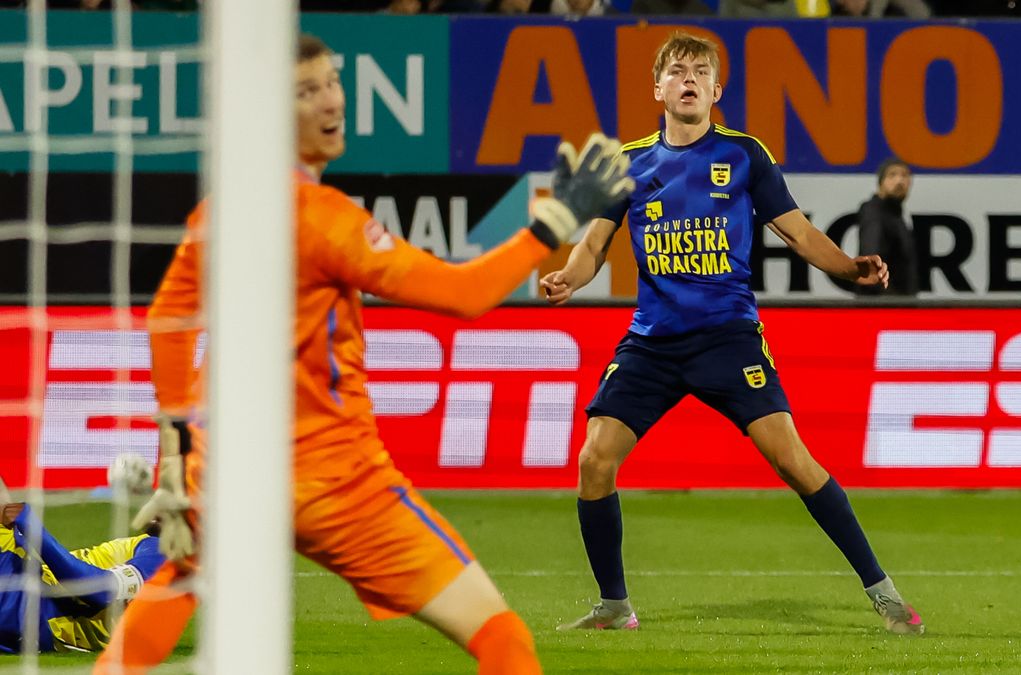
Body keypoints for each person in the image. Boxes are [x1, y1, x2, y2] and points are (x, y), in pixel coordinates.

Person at [91, 33, 632, 675]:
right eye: (306, 91)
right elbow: (463, 294)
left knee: (172, 590)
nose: (331, 101)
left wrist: (178, 449)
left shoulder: (221, 211)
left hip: (234, 471)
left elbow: (168, 321)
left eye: (332, 82)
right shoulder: (326, 219)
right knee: (503, 639)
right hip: (335, 481)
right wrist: (552, 224)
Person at [540, 31, 924, 636]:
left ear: (717, 89)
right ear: (658, 88)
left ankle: (885, 595)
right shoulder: (630, 163)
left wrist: (850, 269)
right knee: (594, 460)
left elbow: (798, 232)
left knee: (793, 462)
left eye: (700, 71)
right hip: (652, 343)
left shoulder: (745, 154)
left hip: (728, 337)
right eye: (677, 70)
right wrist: (570, 276)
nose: (688, 79)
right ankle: (614, 607)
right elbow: (593, 246)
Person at [0, 502, 165, 654]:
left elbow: (102, 592)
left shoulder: (162, 555)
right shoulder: (140, 545)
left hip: (31, 607)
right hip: (25, 595)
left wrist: (34, 530)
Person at [856, 157, 919, 297]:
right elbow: (871, 264)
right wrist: (891, 302)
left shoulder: (896, 215)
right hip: (882, 305)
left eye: (905, 175)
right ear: (880, 182)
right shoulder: (874, 213)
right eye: (892, 175)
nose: (899, 181)